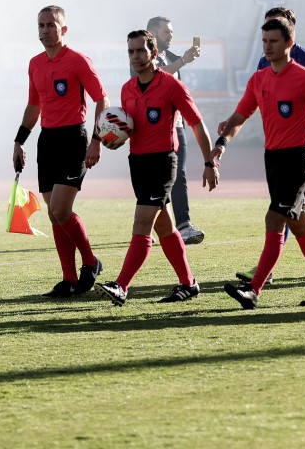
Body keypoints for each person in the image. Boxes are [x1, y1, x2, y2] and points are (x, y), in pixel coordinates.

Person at [218, 16, 305, 309]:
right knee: (299, 225)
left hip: (299, 158)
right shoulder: (258, 79)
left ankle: (254, 290)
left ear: (289, 43)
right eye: (264, 41)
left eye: (273, 41)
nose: (267, 47)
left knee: (274, 218)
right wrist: (221, 145)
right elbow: (240, 115)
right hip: (272, 158)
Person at [93, 30, 219, 306]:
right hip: (137, 163)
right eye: (131, 52)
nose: (136, 57)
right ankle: (189, 284)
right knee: (165, 227)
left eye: (141, 50)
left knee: (142, 224)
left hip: (163, 161)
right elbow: (129, 129)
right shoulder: (127, 90)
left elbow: (197, 125)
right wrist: (114, 140)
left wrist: (210, 162)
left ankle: (121, 286)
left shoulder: (172, 86)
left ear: (154, 52)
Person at [13, 5, 108, 298]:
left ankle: (90, 263)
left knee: (60, 209)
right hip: (47, 141)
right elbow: (34, 106)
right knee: (54, 216)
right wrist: (19, 141)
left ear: (63, 29)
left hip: (74, 140)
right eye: (41, 25)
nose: (45, 30)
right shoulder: (35, 64)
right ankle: (68, 279)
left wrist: (96, 140)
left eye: (51, 25)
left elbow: (102, 100)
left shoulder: (78, 61)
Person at [146, 16, 206, 245]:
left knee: (178, 175)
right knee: (154, 180)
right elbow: (155, 76)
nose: (170, 35)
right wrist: (183, 60)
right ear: (151, 32)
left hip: (176, 126)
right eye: (165, 32)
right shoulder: (143, 57)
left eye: (171, 32)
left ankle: (183, 225)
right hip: (152, 128)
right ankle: (148, 226)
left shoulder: (171, 57)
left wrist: (182, 60)